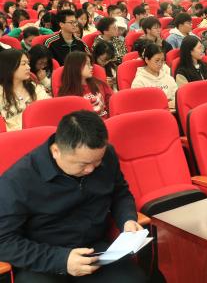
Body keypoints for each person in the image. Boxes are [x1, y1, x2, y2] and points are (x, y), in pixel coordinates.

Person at [0, 110, 147, 282]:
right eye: (83, 164)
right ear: (56, 151)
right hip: (44, 258)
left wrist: (127, 219)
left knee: (136, 279)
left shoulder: (106, 154)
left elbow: (120, 193)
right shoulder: (17, 180)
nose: (91, 169)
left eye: (97, 162)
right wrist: (62, 260)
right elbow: (4, 241)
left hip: (94, 249)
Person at [0, 49, 50, 131]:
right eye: (23, 64)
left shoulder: (35, 88)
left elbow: (48, 109)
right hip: (13, 137)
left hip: (39, 132)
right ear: (9, 67)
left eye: (28, 63)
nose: (28, 67)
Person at [59, 52, 113, 118]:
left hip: (108, 121)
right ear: (76, 67)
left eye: (90, 64)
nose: (91, 67)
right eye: (87, 64)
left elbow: (112, 103)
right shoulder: (67, 93)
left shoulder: (99, 83)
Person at [132, 43, 177, 110]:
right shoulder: (139, 82)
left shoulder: (168, 78)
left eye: (162, 60)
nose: (160, 64)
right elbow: (141, 105)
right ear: (147, 60)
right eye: (157, 61)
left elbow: (176, 96)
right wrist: (165, 104)